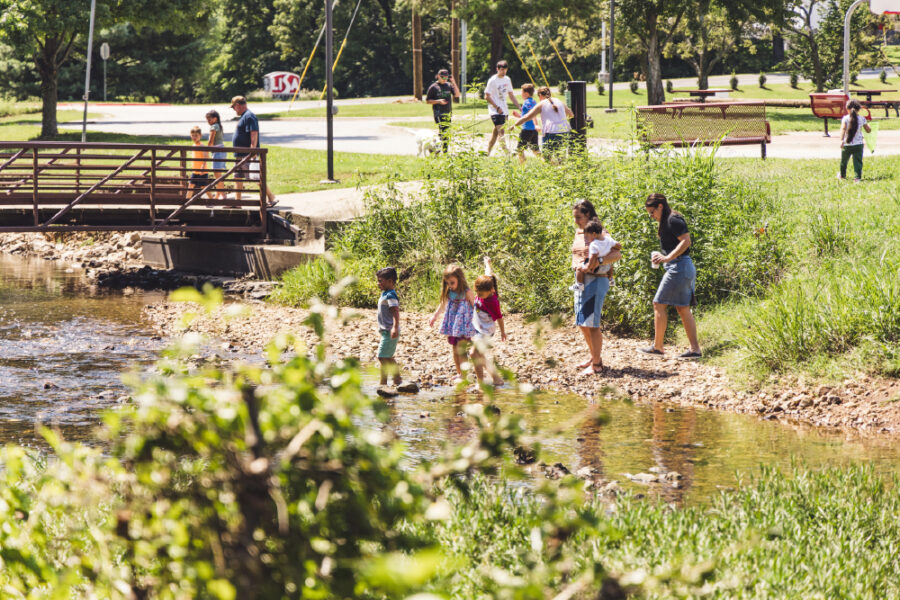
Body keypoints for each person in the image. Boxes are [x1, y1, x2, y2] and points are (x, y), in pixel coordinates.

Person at [640, 193, 702, 359]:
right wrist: (663, 256)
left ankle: (658, 347)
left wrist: (667, 257)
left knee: (658, 303)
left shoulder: (673, 219)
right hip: (680, 266)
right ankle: (694, 350)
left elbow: (686, 241)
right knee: (682, 308)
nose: (651, 216)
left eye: (652, 212)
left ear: (660, 206)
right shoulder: (667, 220)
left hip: (679, 267)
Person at [571, 200, 621, 375]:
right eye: (574, 217)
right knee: (582, 322)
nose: (576, 221)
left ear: (588, 215)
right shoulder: (579, 232)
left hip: (596, 279)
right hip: (581, 280)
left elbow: (617, 254)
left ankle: (597, 364)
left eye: (579, 217)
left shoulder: (601, 233)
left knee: (592, 324)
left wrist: (598, 262)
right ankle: (593, 356)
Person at [429, 264, 477, 384]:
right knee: (455, 350)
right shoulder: (449, 292)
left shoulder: (467, 292)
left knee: (461, 350)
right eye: (447, 283)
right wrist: (435, 316)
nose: (450, 286)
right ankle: (459, 373)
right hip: (452, 325)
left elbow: (475, 307)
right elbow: (442, 305)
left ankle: (465, 376)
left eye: (452, 282)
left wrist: (480, 323)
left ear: (460, 280)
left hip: (464, 326)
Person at [230, 95, 276, 205]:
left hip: (247, 154)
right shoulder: (244, 116)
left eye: (233, 107)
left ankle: (271, 197)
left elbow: (254, 133)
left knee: (255, 177)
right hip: (240, 154)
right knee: (237, 177)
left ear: (237, 105)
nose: (234, 110)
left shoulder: (249, 116)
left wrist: (252, 151)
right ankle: (238, 202)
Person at [471, 256, 507, 386]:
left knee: (474, 353)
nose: (478, 296)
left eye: (481, 294)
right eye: (477, 293)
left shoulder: (492, 302)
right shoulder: (487, 284)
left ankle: (481, 383)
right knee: (479, 355)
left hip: (486, 330)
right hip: (477, 327)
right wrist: (487, 263)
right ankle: (497, 379)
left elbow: (499, 318)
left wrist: (503, 332)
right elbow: (488, 274)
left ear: (491, 290)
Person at [514, 86, 573, 162]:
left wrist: (515, 124)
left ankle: (552, 171)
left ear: (540, 96)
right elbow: (571, 114)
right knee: (561, 159)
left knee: (547, 159)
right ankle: (562, 171)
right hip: (564, 131)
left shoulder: (541, 104)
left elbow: (527, 116)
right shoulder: (559, 101)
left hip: (550, 132)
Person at [571, 219, 617, 293]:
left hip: (595, 267)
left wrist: (588, 266)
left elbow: (593, 257)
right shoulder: (605, 240)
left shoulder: (594, 244)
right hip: (605, 268)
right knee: (610, 264)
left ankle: (579, 284)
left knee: (579, 267)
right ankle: (611, 279)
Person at [484, 60, 520, 155]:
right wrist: (496, 107)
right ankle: (507, 153)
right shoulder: (492, 80)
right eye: (501, 70)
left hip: (504, 110)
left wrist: (519, 107)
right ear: (497, 69)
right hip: (495, 111)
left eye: (505, 70)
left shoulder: (507, 79)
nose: (503, 72)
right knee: (501, 132)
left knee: (495, 133)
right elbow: (486, 96)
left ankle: (487, 152)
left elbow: (511, 95)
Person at [376, 267, 402, 386]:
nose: (378, 283)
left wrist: (395, 327)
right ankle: (397, 378)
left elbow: (395, 312)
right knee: (387, 356)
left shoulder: (391, 295)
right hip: (385, 331)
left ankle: (383, 383)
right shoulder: (385, 294)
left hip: (390, 330)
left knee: (382, 357)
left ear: (390, 281)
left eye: (381, 281)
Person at [425, 68, 460, 153]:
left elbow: (457, 94)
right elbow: (427, 100)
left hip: (448, 113)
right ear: (438, 76)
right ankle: (442, 151)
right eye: (443, 77)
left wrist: (453, 82)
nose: (445, 79)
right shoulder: (433, 87)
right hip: (438, 113)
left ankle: (435, 147)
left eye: (446, 77)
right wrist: (438, 101)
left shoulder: (449, 85)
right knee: (443, 131)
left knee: (446, 132)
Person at [838, 99, 871, 182]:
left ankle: (842, 175)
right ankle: (857, 178)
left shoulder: (845, 118)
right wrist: (869, 126)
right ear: (859, 109)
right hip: (858, 145)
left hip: (847, 144)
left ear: (847, 108)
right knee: (858, 162)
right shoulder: (862, 119)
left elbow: (843, 129)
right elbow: (868, 130)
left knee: (844, 161)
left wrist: (841, 140)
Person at [512, 83, 540, 163]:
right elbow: (528, 116)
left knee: (520, 150)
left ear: (526, 93)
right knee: (535, 150)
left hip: (526, 130)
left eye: (522, 92)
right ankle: (547, 163)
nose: (521, 94)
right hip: (533, 130)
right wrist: (519, 116)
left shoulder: (527, 102)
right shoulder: (533, 102)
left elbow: (531, 113)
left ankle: (523, 167)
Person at [206, 110, 226, 201]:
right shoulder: (219, 126)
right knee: (218, 173)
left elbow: (211, 140)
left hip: (217, 150)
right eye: (207, 119)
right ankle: (218, 195)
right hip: (222, 149)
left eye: (209, 119)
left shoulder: (213, 127)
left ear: (215, 119)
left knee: (217, 174)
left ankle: (223, 195)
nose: (208, 121)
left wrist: (207, 150)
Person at [187, 126, 212, 202]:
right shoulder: (193, 145)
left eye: (196, 136)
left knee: (203, 186)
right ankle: (186, 201)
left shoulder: (201, 146)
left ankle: (212, 199)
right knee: (190, 185)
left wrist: (203, 167)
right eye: (193, 135)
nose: (194, 137)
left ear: (200, 136)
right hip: (195, 170)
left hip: (202, 170)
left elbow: (206, 157)